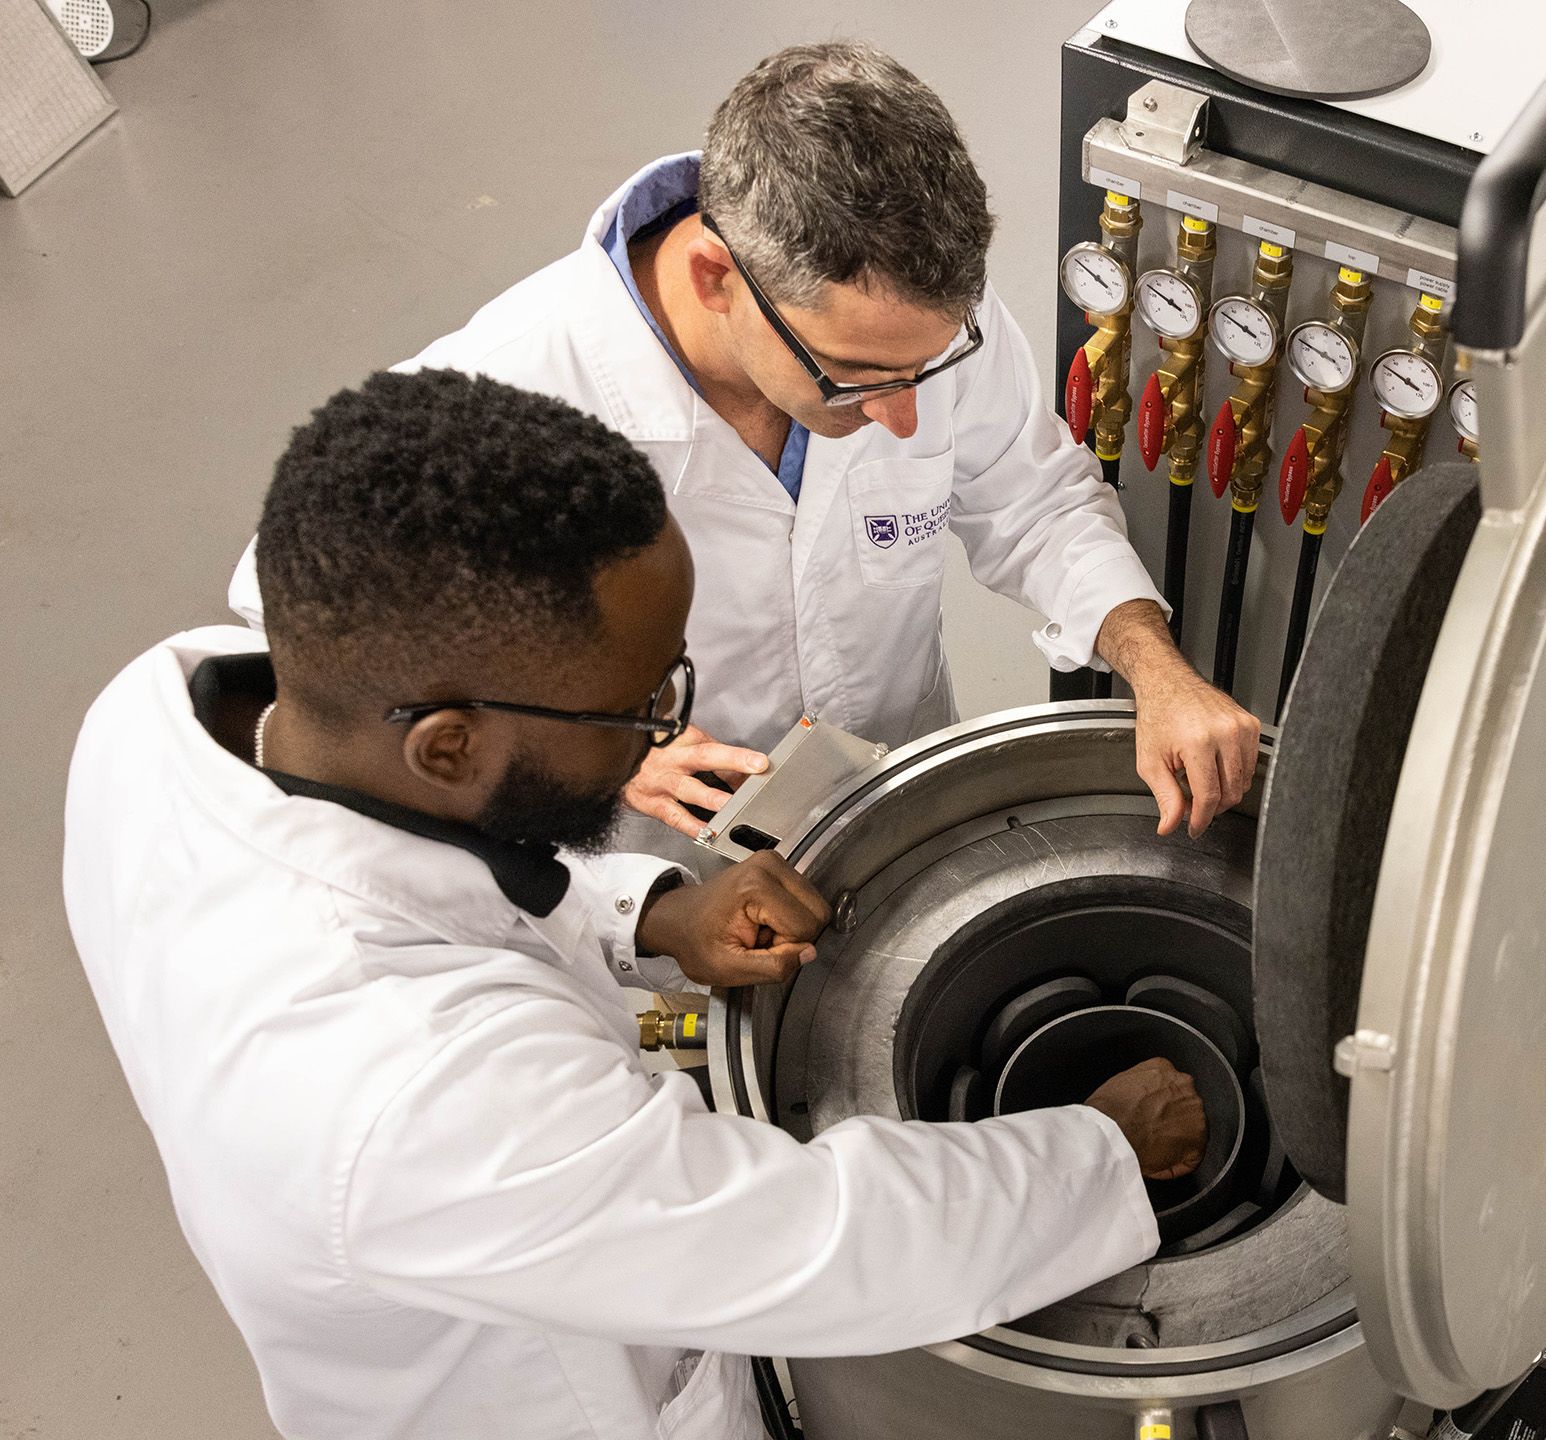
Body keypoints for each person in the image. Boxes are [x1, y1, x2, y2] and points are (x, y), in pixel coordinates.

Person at [66, 370, 1207, 1440]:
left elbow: (430, 880)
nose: (666, 727)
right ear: (450, 744)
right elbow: (814, 1241)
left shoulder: (170, 711)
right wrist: (1100, 1151)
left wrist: (648, 915)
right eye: (638, 708)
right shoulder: (423, 1098)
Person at [227, 40, 1259, 844]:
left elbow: (1031, 498)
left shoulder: (915, 323)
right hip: (654, 870)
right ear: (718, 276)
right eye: (854, 377)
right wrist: (586, 754)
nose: (904, 416)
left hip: (893, 798)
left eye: (925, 372)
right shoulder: (513, 385)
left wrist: (1152, 667)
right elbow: (290, 624)